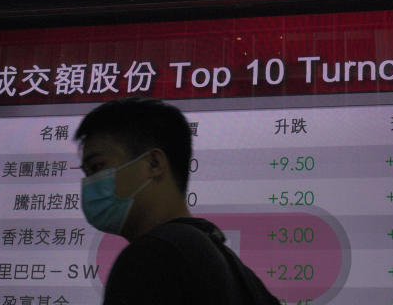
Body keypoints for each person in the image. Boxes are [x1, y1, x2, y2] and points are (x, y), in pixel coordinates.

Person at [74, 97, 280, 305]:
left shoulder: (152, 257)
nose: (89, 184)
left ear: (154, 163)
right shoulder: (239, 273)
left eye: (97, 167)